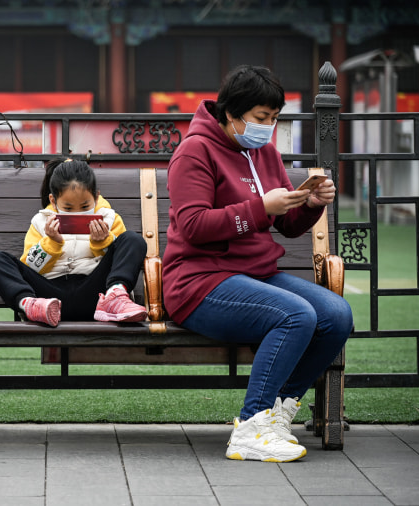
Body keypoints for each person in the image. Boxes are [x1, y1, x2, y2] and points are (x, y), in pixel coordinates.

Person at [161, 65, 352, 462]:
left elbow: (286, 224)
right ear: (232, 114)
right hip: (199, 281)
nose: (269, 127)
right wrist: (259, 207)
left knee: (336, 313)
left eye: (275, 118)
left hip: (257, 275)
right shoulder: (194, 151)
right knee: (296, 314)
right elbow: (194, 226)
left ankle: (277, 417)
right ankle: (251, 427)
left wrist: (311, 204)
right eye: (262, 118)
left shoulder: (263, 151)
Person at [0, 158, 148, 326]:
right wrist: (51, 244)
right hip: (49, 298)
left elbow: (119, 261)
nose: (77, 213)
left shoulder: (110, 218)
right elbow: (31, 267)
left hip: (95, 295)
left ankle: (115, 297)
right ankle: (29, 305)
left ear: (96, 197)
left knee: (133, 240)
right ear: (53, 201)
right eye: (68, 208)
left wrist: (103, 242)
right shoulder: (40, 221)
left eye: (85, 207)